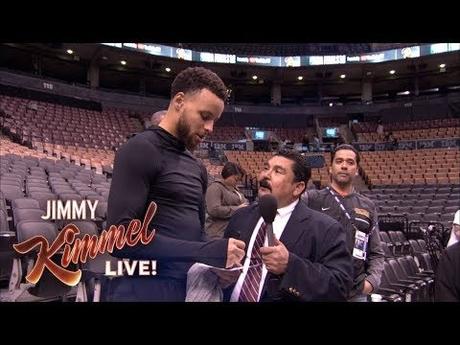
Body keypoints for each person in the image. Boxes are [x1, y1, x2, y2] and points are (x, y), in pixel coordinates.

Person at [105, 67, 246, 301]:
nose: (210, 128)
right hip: (144, 289)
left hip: (190, 287)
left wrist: (217, 261)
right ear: (179, 101)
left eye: (214, 120)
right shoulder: (140, 149)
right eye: (205, 116)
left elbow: (195, 234)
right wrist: (206, 251)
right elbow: (119, 240)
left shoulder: (197, 167)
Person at [222, 150, 353, 301]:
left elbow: (339, 287)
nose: (266, 175)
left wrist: (290, 265)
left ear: (297, 188)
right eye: (266, 168)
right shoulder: (241, 216)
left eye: (278, 171)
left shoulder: (325, 228)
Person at [304, 144, 384, 302]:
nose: (344, 166)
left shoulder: (367, 205)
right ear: (331, 168)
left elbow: (376, 252)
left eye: (350, 162)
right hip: (318, 290)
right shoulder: (311, 199)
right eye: (339, 161)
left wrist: (371, 282)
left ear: (357, 170)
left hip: (356, 292)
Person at [205, 162, 248, 239]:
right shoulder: (215, 187)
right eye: (236, 179)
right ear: (228, 175)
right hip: (217, 234)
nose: (237, 182)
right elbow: (213, 209)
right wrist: (237, 209)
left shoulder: (236, 191)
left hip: (233, 233)